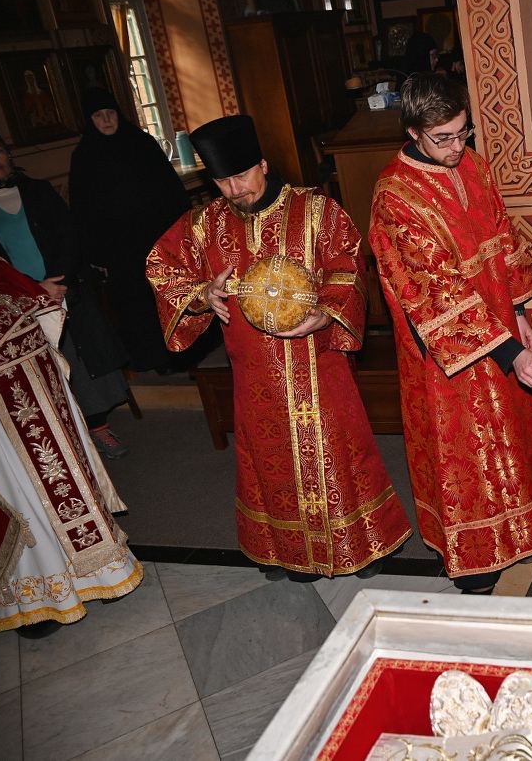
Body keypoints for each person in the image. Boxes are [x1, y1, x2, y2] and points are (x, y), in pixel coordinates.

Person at [146, 115, 411, 580]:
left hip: (318, 361)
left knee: (340, 450)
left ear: (263, 165)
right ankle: (289, 552)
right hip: (254, 372)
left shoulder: (316, 211)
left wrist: (327, 311)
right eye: (222, 181)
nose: (235, 190)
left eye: (241, 176)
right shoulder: (205, 224)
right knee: (271, 461)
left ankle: (364, 543)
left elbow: (348, 265)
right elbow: (160, 266)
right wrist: (203, 294)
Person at [368, 74, 532, 595]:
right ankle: (475, 562)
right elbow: (436, 289)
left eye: (462, 133)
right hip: (444, 350)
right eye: (443, 139)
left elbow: (502, 234)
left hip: (498, 323)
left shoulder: (473, 164)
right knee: (465, 455)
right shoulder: (396, 196)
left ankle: (521, 531)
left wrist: (519, 308)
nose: (456, 148)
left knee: (511, 436)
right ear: (413, 132)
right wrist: (510, 352)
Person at [0, 251, 142, 637]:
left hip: (36, 371)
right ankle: (40, 598)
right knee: (18, 486)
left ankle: (102, 570)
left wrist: (36, 293)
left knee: (69, 469)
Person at [0, 129, 133, 460]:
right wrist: (32, 289)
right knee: (40, 368)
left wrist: (57, 282)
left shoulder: (38, 190)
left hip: (62, 286)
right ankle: (64, 436)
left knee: (79, 357)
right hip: (14, 299)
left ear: (9, 154)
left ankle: (99, 428)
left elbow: (69, 236)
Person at [68, 87, 192, 374]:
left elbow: (171, 190)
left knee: (168, 297)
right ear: (89, 120)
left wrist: (182, 231)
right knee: (136, 305)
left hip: (158, 239)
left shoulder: (142, 144)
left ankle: (182, 353)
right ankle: (152, 358)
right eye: (98, 116)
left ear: (119, 114)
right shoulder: (84, 156)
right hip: (120, 250)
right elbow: (82, 210)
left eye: (110, 113)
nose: (106, 120)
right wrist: (95, 254)